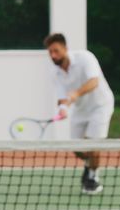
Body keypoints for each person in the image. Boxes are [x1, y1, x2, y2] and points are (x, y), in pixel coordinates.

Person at [44, 33, 115, 195]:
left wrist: (75, 94)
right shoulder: (54, 72)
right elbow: (62, 98)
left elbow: (94, 82)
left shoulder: (86, 58)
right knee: (76, 148)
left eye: (56, 51)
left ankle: (92, 176)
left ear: (65, 49)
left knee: (93, 145)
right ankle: (90, 163)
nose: (53, 55)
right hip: (80, 110)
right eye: (50, 52)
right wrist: (63, 109)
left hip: (100, 106)